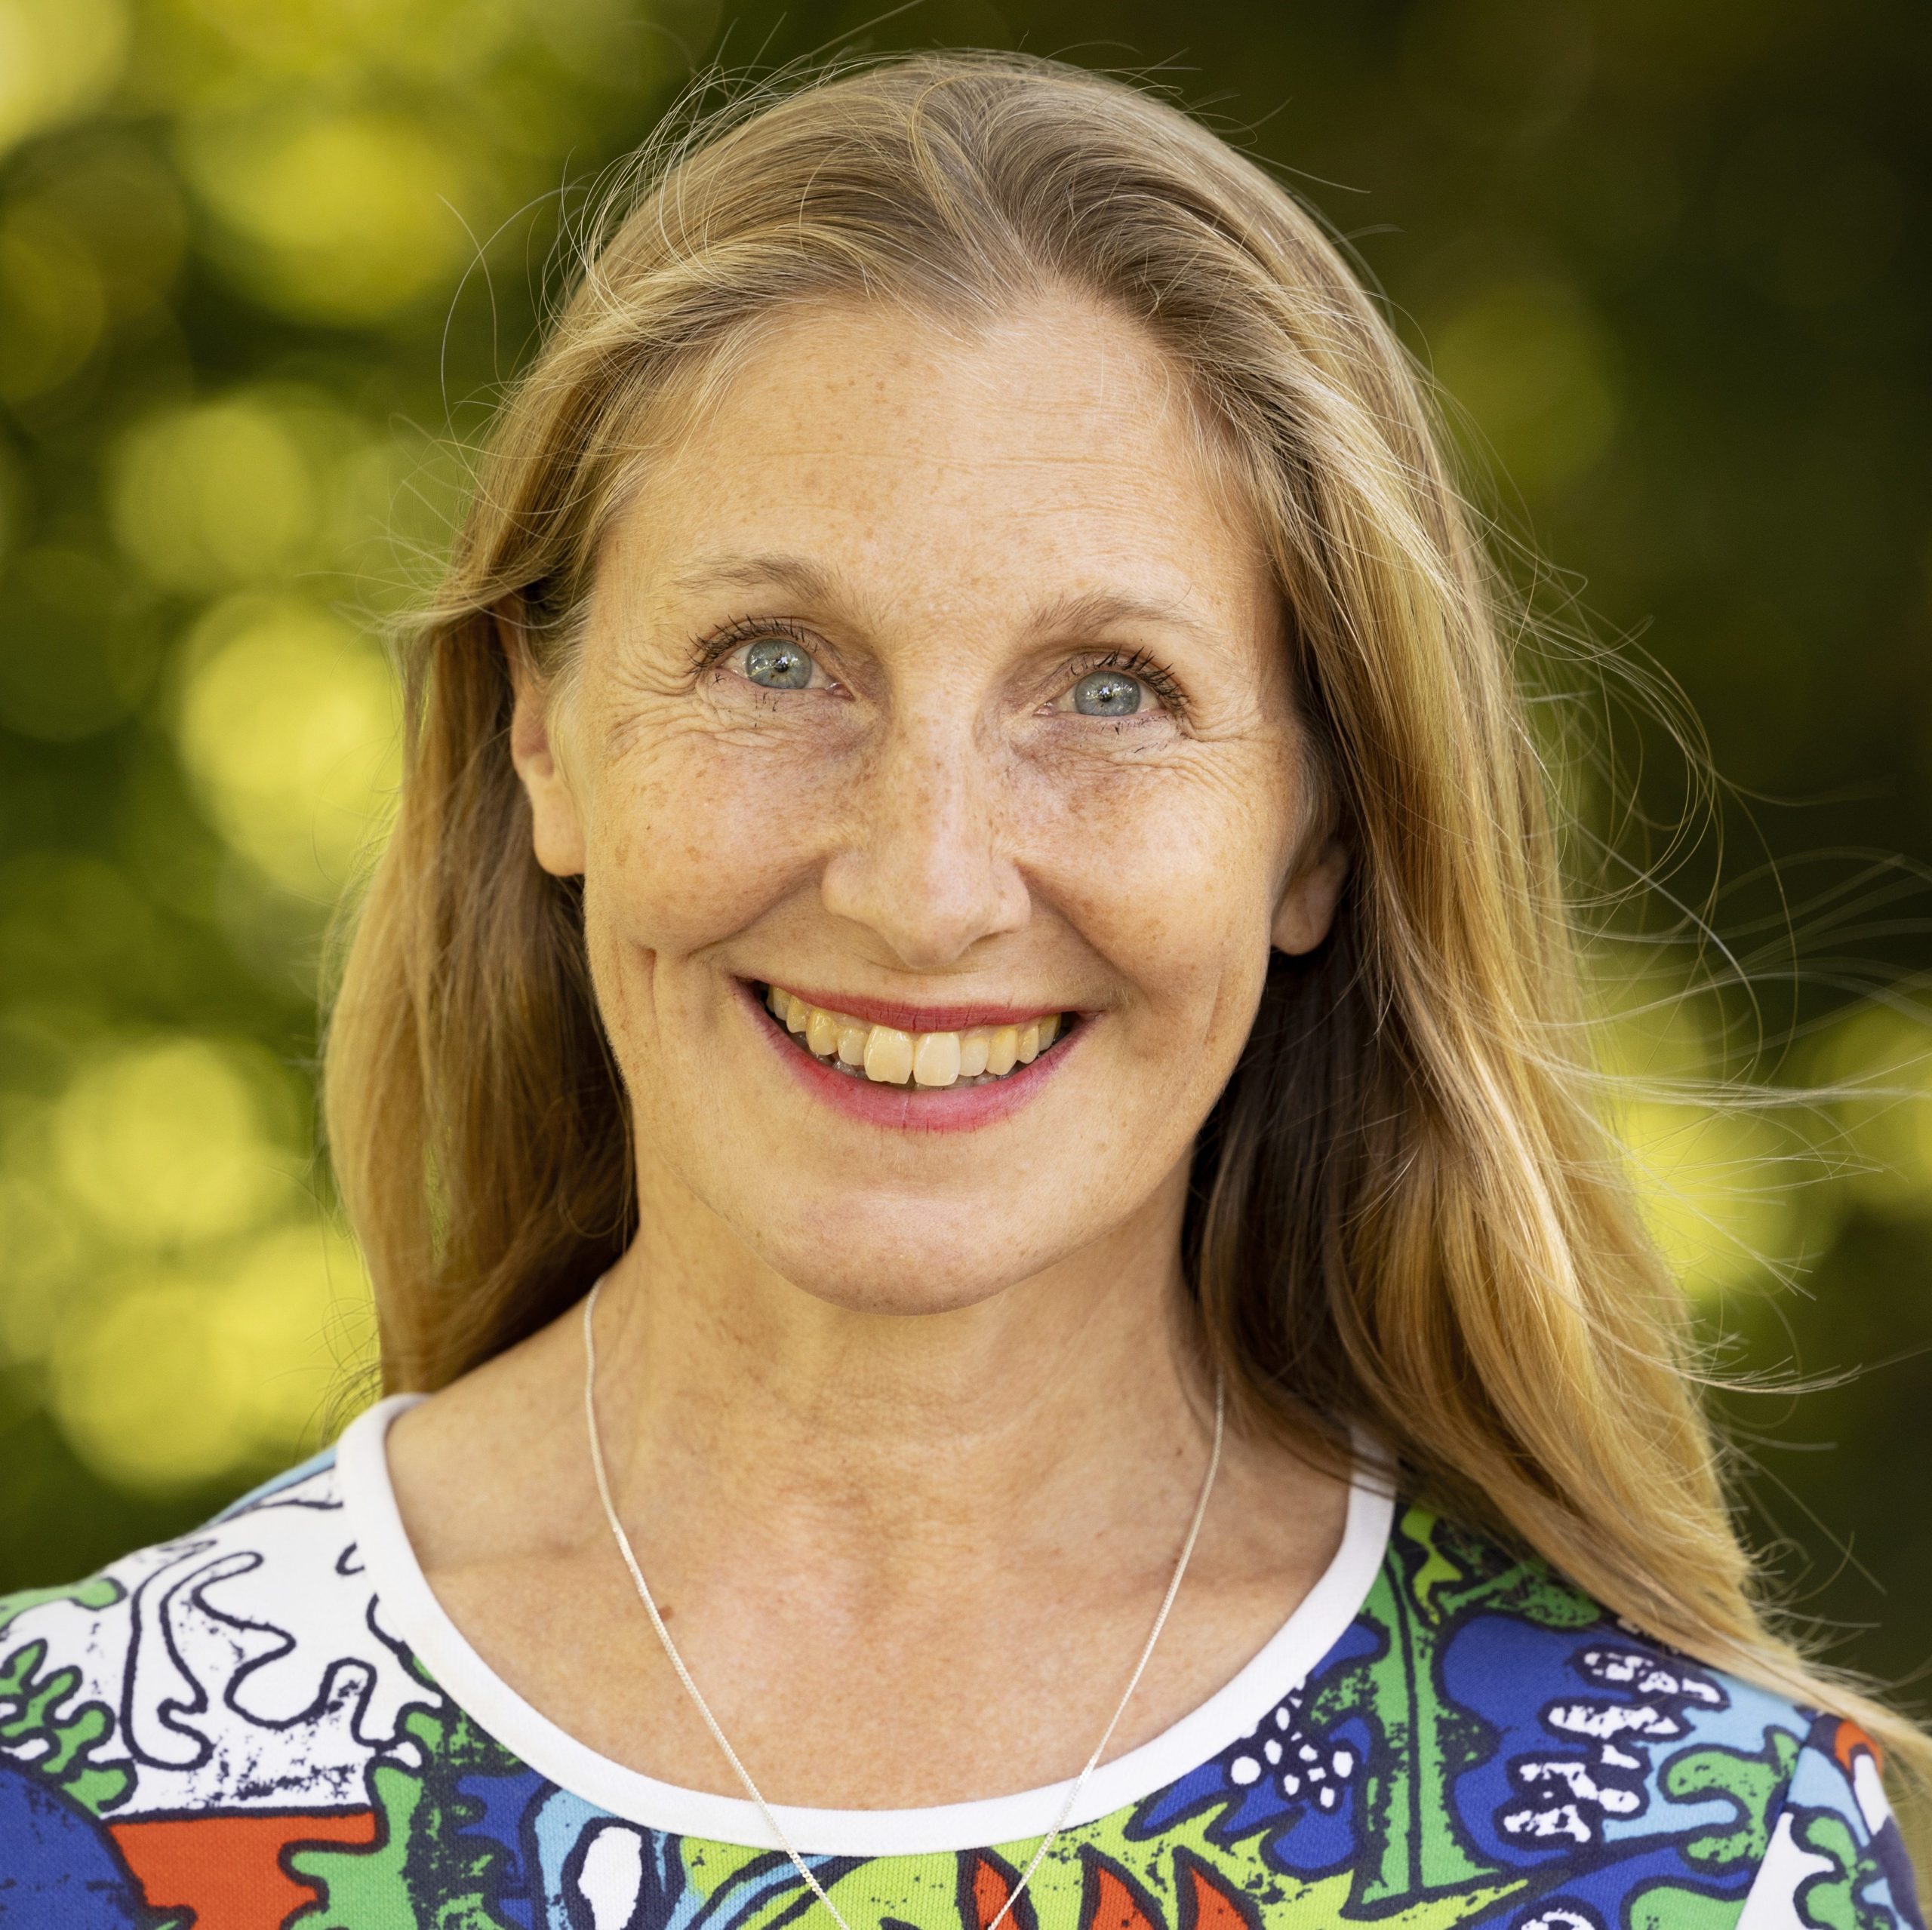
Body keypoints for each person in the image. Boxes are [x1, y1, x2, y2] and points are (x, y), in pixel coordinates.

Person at [0, 51, 1921, 1930]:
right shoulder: (71, 1793)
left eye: (1110, 691)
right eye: (773, 660)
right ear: (543, 733)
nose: (925, 888)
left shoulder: (1692, 1847)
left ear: (1318, 832)